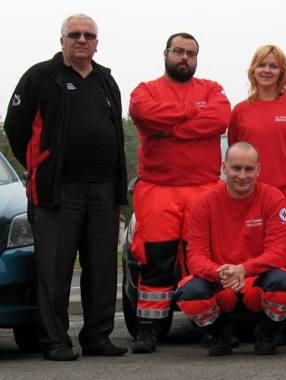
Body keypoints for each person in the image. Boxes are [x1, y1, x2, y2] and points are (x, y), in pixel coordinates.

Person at [3, 14, 128, 360]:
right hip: (57, 191)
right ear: (62, 41)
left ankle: (97, 337)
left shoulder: (106, 80)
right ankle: (55, 341)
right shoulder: (40, 77)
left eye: (89, 35)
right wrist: (38, 163)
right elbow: (16, 126)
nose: (82, 40)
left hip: (103, 190)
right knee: (54, 269)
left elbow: (115, 133)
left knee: (102, 268)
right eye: (74, 34)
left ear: (97, 43)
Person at [128, 32, 231, 353]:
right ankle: (149, 327)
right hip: (158, 190)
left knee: (202, 261)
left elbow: (220, 118)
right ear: (166, 53)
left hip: (204, 188)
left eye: (191, 53)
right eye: (179, 52)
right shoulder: (145, 90)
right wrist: (189, 116)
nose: (184, 58)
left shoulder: (212, 89)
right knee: (155, 260)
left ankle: (210, 326)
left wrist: (168, 127)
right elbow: (143, 113)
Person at [228, 45, 286, 344]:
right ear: (253, 71)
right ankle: (266, 324)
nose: (267, 71)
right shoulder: (241, 110)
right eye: (262, 65)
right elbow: (237, 153)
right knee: (264, 262)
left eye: (274, 66)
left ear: (283, 73)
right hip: (255, 202)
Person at [174, 142, 286, 356]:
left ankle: (266, 333)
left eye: (249, 169)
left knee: (285, 284)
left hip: (257, 278)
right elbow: (195, 256)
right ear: (224, 168)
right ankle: (220, 334)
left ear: (258, 169)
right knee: (189, 293)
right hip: (220, 279)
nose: (242, 175)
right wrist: (219, 272)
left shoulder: (273, 197)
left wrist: (243, 269)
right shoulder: (202, 203)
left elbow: (278, 251)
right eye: (236, 168)